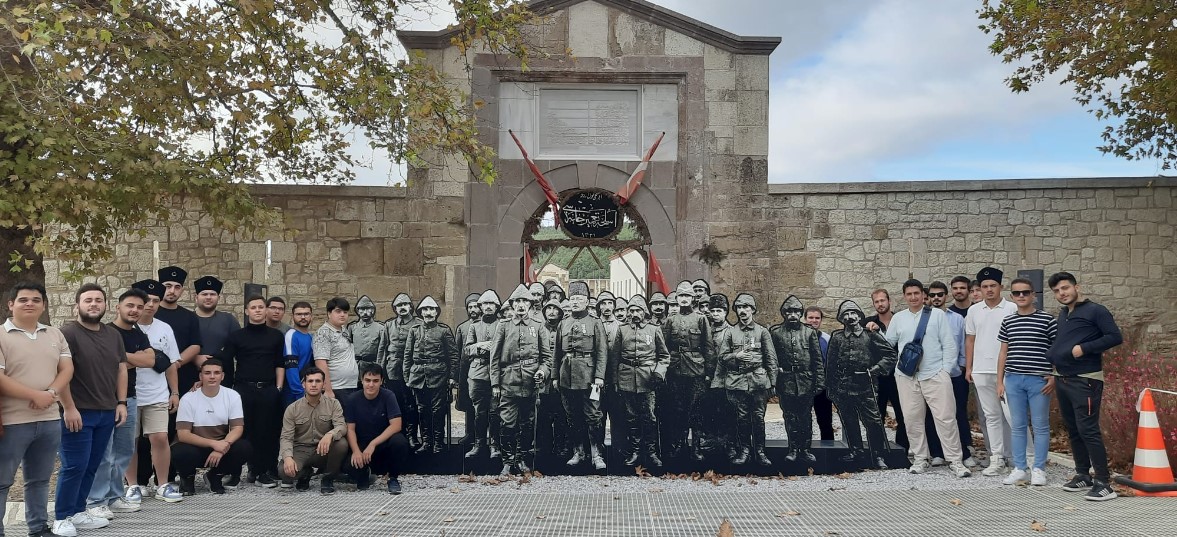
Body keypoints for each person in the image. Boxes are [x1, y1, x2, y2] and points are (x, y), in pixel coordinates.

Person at [0, 282, 74, 537]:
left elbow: (66, 370)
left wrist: (51, 394)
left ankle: (38, 528)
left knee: (40, 480)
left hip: (49, 420)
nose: (29, 303)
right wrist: (35, 395)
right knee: (2, 482)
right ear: (11, 305)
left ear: (43, 305)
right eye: (23, 300)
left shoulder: (55, 335)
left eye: (35, 299)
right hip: (12, 421)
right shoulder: (0, 335)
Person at [882, 279, 970, 478]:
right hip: (907, 376)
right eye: (909, 294)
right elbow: (888, 344)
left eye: (916, 293)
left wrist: (945, 370)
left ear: (923, 295)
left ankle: (955, 460)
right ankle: (920, 458)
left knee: (946, 418)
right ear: (904, 297)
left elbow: (949, 344)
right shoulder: (899, 318)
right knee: (912, 419)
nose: (913, 297)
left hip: (934, 373)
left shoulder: (937, 315)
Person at [55, 284, 126, 532]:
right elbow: (61, 373)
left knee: (92, 465)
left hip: (106, 411)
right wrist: (69, 407)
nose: (93, 304)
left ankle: (77, 512)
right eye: (88, 300)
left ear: (106, 305)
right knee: (74, 465)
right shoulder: (67, 333)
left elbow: (121, 369)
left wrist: (121, 402)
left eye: (98, 300)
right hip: (78, 412)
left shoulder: (113, 335)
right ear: (78, 305)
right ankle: (61, 518)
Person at [1046, 271, 1122, 501]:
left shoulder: (1096, 310)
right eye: (1057, 291)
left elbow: (1114, 337)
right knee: (1074, 429)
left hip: (1085, 379)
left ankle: (1103, 483)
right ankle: (1083, 474)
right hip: (1063, 378)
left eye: (1065, 288)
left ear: (1077, 287)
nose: (1062, 293)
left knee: (1088, 430)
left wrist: (1085, 348)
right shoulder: (1063, 314)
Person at [87, 289, 155, 518]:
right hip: (106, 400)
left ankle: (115, 496)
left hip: (130, 398)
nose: (134, 310)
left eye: (138, 306)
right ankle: (96, 500)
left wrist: (123, 357)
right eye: (130, 306)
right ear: (118, 307)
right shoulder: (106, 332)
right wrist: (127, 359)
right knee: (104, 454)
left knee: (124, 451)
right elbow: (111, 364)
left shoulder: (138, 334)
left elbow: (150, 360)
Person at [215, 295, 284, 488]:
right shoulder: (237, 336)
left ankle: (260, 472)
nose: (258, 310)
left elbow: (280, 363)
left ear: (266, 310)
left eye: (261, 307)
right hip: (243, 390)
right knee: (240, 432)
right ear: (247, 311)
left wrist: (278, 388)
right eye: (253, 307)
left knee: (266, 432)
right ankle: (235, 473)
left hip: (268, 389)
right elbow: (224, 360)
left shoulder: (276, 336)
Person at [126, 279, 184, 504]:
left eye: (155, 301)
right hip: (130, 394)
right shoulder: (125, 328)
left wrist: (175, 392)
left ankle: (162, 485)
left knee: (160, 438)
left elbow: (170, 364)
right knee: (129, 441)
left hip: (157, 393)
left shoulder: (164, 328)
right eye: (146, 300)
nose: (150, 305)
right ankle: (132, 485)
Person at [996, 278, 1057, 487]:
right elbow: (1003, 351)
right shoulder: (1008, 321)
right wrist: (1000, 381)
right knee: (1018, 426)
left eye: (1025, 292)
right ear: (1012, 296)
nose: (1021, 296)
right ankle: (1020, 468)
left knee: (1040, 426)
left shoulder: (1047, 320)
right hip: (1013, 379)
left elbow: (1057, 348)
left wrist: (1054, 374)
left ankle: (1038, 468)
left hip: (1039, 379)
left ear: (1033, 295)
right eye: (1017, 293)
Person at [490, 285, 553, 475]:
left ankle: (522, 459)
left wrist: (542, 372)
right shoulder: (503, 326)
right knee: (507, 423)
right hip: (508, 383)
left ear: (531, 305)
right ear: (512, 305)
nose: (521, 305)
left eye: (525, 301)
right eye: (517, 302)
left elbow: (546, 358)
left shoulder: (538, 326)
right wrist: (495, 384)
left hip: (530, 384)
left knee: (527, 424)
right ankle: (507, 461)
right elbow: (494, 357)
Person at [826, 300, 895, 470]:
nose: (850, 317)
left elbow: (890, 355)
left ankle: (877, 454)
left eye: (853, 313)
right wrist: (831, 388)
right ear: (842, 319)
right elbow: (831, 364)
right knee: (849, 421)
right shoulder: (837, 337)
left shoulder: (870, 335)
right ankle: (856, 451)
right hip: (844, 387)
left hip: (866, 386)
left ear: (859, 316)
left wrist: (875, 370)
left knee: (873, 422)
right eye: (846, 315)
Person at [711, 293, 775, 466]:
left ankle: (760, 451)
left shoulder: (762, 332)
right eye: (739, 308)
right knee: (742, 418)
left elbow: (771, 359)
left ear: (753, 310)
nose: (742, 311)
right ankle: (744, 450)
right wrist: (736, 355)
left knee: (759, 418)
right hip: (738, 382)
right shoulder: (731, 332)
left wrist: (773, 383)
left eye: (746, 307)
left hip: (758, 381)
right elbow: (722, 357)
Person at [172, 359, 252, 496]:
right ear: (201, 376)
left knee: (244, 448)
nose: (212, 376)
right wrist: (213, 444)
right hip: (196, 446)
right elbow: (183, 434)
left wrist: (223, 447)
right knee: (179, 451)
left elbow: (237, 428)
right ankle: (187, 478)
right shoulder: (188, 398)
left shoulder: (232, 396)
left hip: (220, 446)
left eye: (216, 373)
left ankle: (215, 476)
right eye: (207, 373)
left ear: (222, 376)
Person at [965, 267, 1016, 476]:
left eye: (993, 286)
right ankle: (997, 457)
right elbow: (970, 339)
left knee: (1013, 416)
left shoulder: (1012, 308)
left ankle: (1022, 457)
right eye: (984, 287)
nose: (989, 290)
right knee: (991, 416)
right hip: (981, 370)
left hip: (1007, 370)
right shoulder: (974, 310)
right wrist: (969, 367)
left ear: (1001, 287)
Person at [611, 295, 670, 468]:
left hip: (648, 379)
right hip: (627, 377)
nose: (635, 314)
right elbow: (615, 357)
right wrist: (615, 379)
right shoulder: (622, 330)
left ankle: (651, 452)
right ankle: (635, 452)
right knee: (631, 416)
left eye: (638, 310)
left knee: (649, 417)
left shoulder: (654, 330)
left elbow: (664, 356)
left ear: (644, 312)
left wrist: (659, 372)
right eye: (632, 311)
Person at [554, 282, 608, 469]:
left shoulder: (595, 323)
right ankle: (578, 452)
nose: (575, 302)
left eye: (580, 299)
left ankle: (597, 454)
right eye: (573, 299)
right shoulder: (564, 323)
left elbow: (602, 352)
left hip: (590, 378)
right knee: (572, 416)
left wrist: (599, 376)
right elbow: (557, 355)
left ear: (587, 301)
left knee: (593, 416)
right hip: (566, 376)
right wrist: (555, 377)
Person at [659, 281, 713, 461]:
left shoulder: (701, 319)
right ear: (677, 298)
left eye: (687, 296)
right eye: (681, 296)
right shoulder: (670, 320)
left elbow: (708, 347)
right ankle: (680, 445)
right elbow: (664, 348)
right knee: (677, 410)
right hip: (675, 371)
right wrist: (665, 371)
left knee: (696, 411)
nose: (684, 299)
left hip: (696, 370)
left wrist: (708, 373)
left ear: (692, 298)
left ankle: (696, 447)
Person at [925, 281, 976, 468]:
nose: (936, 298)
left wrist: (963, 367)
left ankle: (964, 453)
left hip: (954, 374)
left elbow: (963, 345)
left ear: (946, 296)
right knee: (932, 414)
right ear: (928, 298)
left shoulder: (957, 319)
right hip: (931, 374)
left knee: (958, 413)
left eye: (940, 294)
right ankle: (937, 452)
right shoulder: (923, 319)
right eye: (932, 295)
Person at [769, 295, 824, 463]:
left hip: (806, 380)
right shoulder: (776, 332)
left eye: (796, 311)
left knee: (805, 416)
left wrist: (820, 381)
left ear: (800, 313)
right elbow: (772, 358)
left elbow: (817, 359)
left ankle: (806, 449)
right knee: (790, 416)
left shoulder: (809, 332)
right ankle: (793, 448)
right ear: (784, 313)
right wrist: (774, 381)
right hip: (785, 381)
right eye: (789, 311)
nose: (792, 314)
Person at [402, 296, 458, 454]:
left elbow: (453, 355)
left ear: (437, 312)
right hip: (418, 376)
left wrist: (452, 377)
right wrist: (407, 377)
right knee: (422, 410)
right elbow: (407, 355)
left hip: (438, 375)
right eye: (425, 309)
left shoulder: (444, 330)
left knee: (438, 410)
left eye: (432, 309)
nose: (429, 312)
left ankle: (438, 444)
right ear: (420, 312)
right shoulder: (414, 331)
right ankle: (426, 442)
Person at [343, 363, 410, 494]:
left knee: (400, 442)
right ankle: (364, 473)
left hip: (383, 443)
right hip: (362, 444)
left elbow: (396, 425)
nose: (371, 384)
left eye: (375, 381)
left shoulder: (388, 396)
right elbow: (350, 429)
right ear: (361, 380)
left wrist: (373, 444)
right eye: (367, 380)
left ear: (381, 381)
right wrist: (356, 451)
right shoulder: (352, 399)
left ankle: (393, 478)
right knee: (348, 466)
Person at [279, 367, 348, 494]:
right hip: (301, 450)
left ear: (323, 385)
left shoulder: (333, 404)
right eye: (310, 381)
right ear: (303, 384)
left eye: (318, 381)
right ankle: (305, 473)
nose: (314, 385)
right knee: (284, 472)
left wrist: (330, 435)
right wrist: (288, 458)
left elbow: (342, 426)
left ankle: (328, 478)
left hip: (323, 449)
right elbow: (286, 437)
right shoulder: (292, 409)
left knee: (341, 444)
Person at [863, 289, 906, 452]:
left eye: (883, 300)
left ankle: (902, 447)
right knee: (876, 415)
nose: (880, 304)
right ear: (873, 304)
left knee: (903, 414)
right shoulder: (867, 323)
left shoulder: (901, 320)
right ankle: (878, 450)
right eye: (877, 301)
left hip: (899, 375)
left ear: (889, 301)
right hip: (877, 377)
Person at [379, 293, 421, 450]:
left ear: (410, 306)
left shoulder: (419, 323)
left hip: (412, 371)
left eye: (405, 305)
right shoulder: (389, 325)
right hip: (393, 370)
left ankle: (412, 436)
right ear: (395, 309)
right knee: (396, 404)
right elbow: (382, 349)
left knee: (412, 404)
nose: (402, 308)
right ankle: (400, 435)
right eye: (398, 306)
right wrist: (380, 372)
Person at [463, 290, 502, 459]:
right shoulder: (474, 326)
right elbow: (467, 349)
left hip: (496, 374)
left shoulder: (502, 325)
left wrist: (492, 347)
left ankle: (495, 445)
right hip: (477, 373)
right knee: (479, 412)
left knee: (495, 412)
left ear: (496, 307)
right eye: (485, 304)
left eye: (491, 304)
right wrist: (481, 346)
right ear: (480, 307)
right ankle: (478, 444)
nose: (487, 307)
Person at [192, 276, 240, 388]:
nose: (208, 297)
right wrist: (194, 358)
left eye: (212, 294)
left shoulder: (229, 320)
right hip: (191, 376)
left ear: (218, 297)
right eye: (204, 294)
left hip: (222, 379)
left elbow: (238, 348)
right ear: (196, 297)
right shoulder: (187, 319)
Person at [537, 298, 570, 460]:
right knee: (542, 415)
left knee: (561, 414)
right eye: (548, 308)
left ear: (560, 312)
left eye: (555, 309)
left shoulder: (565, 329)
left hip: (560, 378)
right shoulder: (538, 329)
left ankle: (561, 446)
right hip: (543, 379)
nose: (551, 311)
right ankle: (543, 448)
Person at [313, 297, 361, 404]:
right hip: (337, 388)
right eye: (338, 311)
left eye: (345, 312)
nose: (342, 315)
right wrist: (328, 389)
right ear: (329, 313)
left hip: (351, 386)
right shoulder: (323, 333)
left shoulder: (344, 330)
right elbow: (320, 362)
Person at [454, 293, 481, 446]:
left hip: (482, 371)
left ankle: (483, 437)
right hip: (466, 371)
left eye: (476, 306)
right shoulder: (462, 328)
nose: (473, 309)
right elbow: (457, 352)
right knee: (469, 405)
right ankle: (469, 434)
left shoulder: (487, 325)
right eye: (470, 307)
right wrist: (457, 376)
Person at [804, 306, 835, 442]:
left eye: (817, 318)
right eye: (811, 317)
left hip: (822, 387)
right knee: (802, 422)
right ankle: (803, 452)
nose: (814, 320)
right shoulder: (798, 338)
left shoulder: (827, 339)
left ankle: (829, 455)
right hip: (802, 385)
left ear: (821, 320)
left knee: (825, 422)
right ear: (805, 319)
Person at [283, 302, 315, 406]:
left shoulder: (311, 337)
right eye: (299, 314)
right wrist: (300, 393)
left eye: (306, 314)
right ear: (293, 317)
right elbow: (290, 366)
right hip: (294, 394)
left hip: (308, 391)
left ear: (311, 316)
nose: (303, 317)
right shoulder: (291, 336)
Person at [345, 296, 385, 365]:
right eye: (362, 309)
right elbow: (347, 348)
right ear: (358, 311)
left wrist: (379, 365)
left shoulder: (380, 328)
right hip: (356, 365)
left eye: (368, 309)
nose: (365, 312)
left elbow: (383, 350)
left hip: (373, 365)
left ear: (372, 310)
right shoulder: (352, 327)